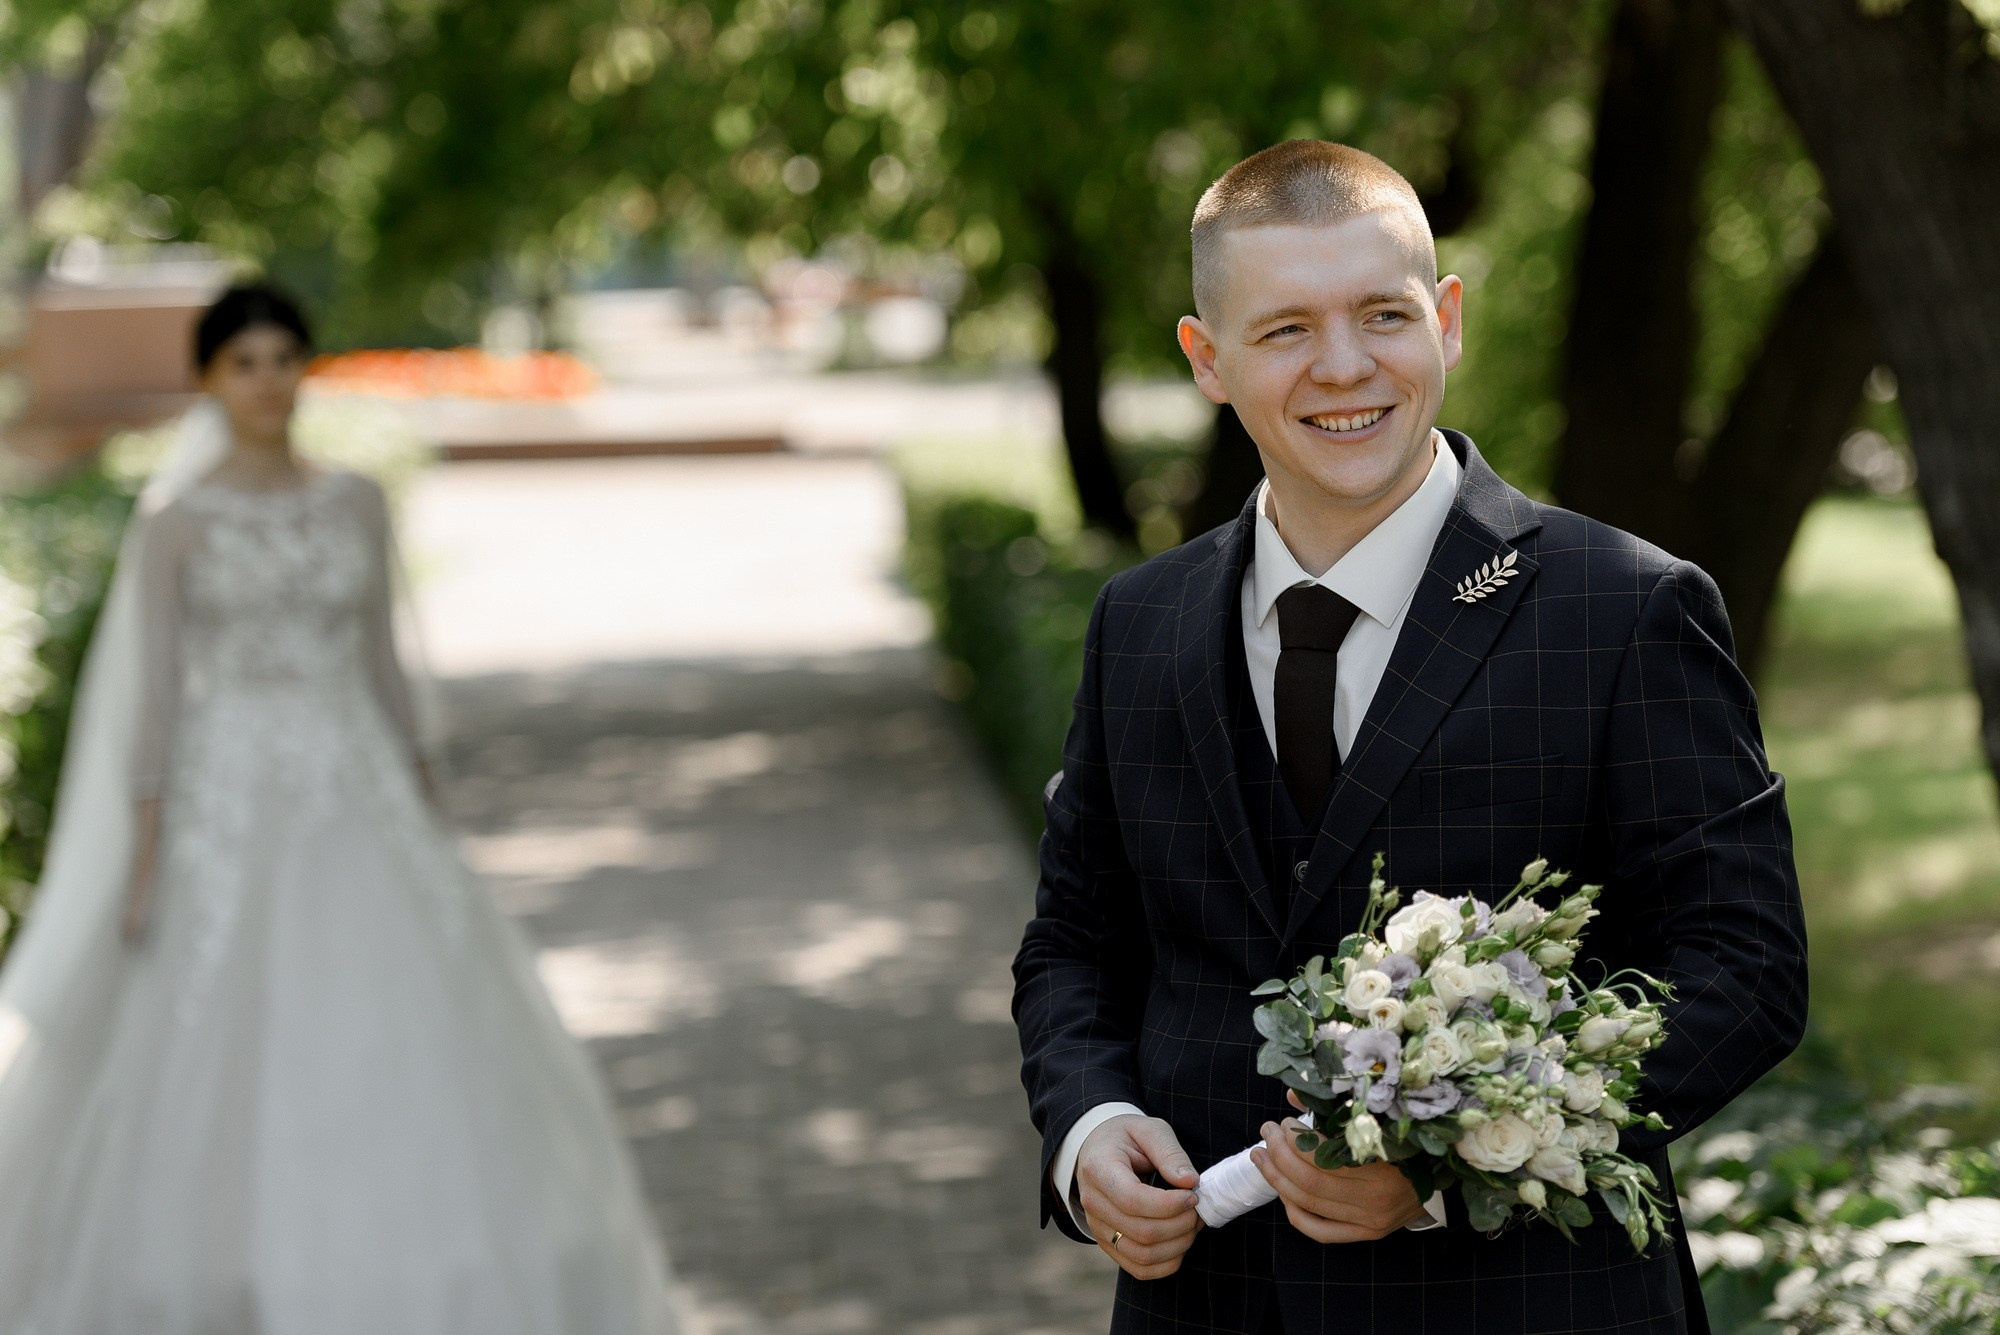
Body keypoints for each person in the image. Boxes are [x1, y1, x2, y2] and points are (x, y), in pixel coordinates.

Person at [1013, 141, 1808, 1334]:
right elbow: (1075, 940)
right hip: (1208, 1307)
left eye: (1381, 315)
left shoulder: (1623, 608)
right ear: (1205, 359)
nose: (1343, 366)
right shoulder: (1140, 621)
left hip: (1534, 1307)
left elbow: (1743, 966)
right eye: (1284, 329)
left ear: (1443, 320)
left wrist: (1452, 1160)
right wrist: (1088, 1125)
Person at [0, 285, 678, 1333]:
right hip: (228, 806)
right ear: (209, 380)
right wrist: (144, 855)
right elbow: (155, 699)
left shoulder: (357, 501)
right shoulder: (176, 521)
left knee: (399, 1017)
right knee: (216, 1040)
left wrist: (428, 801)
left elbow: (384, 664)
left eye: (284, 359)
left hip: (357, 790)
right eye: (244, 363)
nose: (268, 382)